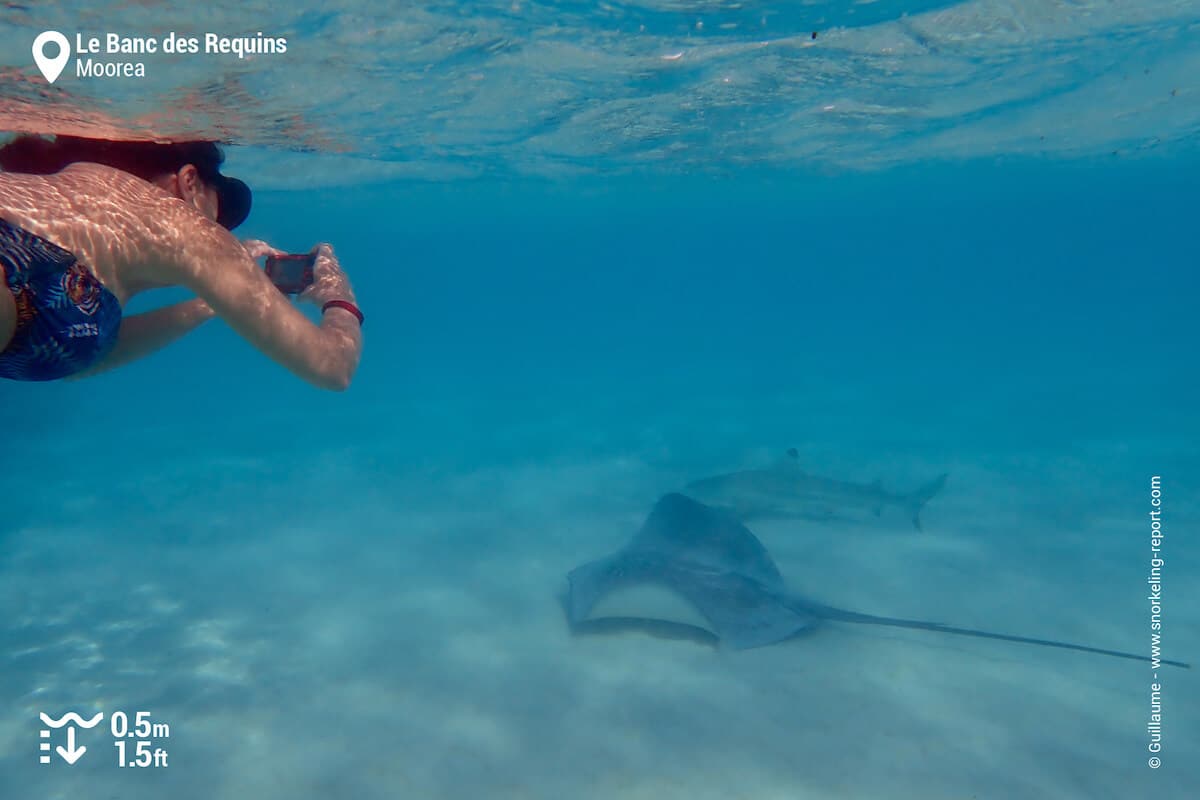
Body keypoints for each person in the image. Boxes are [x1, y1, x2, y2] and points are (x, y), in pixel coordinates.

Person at [0, 135, 362, 389]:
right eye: (216, 218)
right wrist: (340, 299)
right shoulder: (187, 229)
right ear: (189, 182)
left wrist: (211, 304)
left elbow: (87, 351)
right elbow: (332, 368)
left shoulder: (65, 194)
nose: (218, 232)